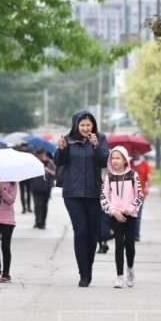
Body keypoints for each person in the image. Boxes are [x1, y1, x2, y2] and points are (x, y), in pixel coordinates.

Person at [55, 110, 110, 287]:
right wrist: (61, 149)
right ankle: (83, 273)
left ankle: (89, 268)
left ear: (93, 125)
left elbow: (104, 162)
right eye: (82, 125)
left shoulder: (100, 139)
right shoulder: (68, 140)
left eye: (89, 124)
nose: (86, 128)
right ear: (76, 126)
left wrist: (96, 146)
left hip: (93, 192)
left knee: (93, 233)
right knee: (80, 231)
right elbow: (58, 162)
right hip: (72, 193)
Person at [100, 146, 144, 288]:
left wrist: (130, 209)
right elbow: (103, 197)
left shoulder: (133, 175)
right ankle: (119, 276)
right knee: (119, 244)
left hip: (130, 216)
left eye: (118, 158)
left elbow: (139, 196)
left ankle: (130, 269)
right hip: (116, 216)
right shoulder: (109, 177)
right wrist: (113, 211)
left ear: (125, 160)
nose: (115, 161)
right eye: (112, 158)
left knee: (129, 245)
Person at [30, 148, 55, 229]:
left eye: (41, 154)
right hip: (36, 186)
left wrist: (47, 169)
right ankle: (37, 221)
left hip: (46, 187)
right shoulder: (34, 162)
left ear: (44, 154)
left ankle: (43, 222)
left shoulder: (50, 162)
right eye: (38, 155)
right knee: (37, 205)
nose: (40, 156)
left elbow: (55, 174)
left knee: (44, 205)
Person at [131, 154, 152, 242]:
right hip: (129, 192)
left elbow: (149, 177)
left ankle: (136, 234)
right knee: (130, 214)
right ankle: (130, 233)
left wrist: (147, 187)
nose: (136, 152)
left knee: (138, 214)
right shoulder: (128, 163)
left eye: (138, 151)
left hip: (140, 192)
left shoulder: (145, 164)